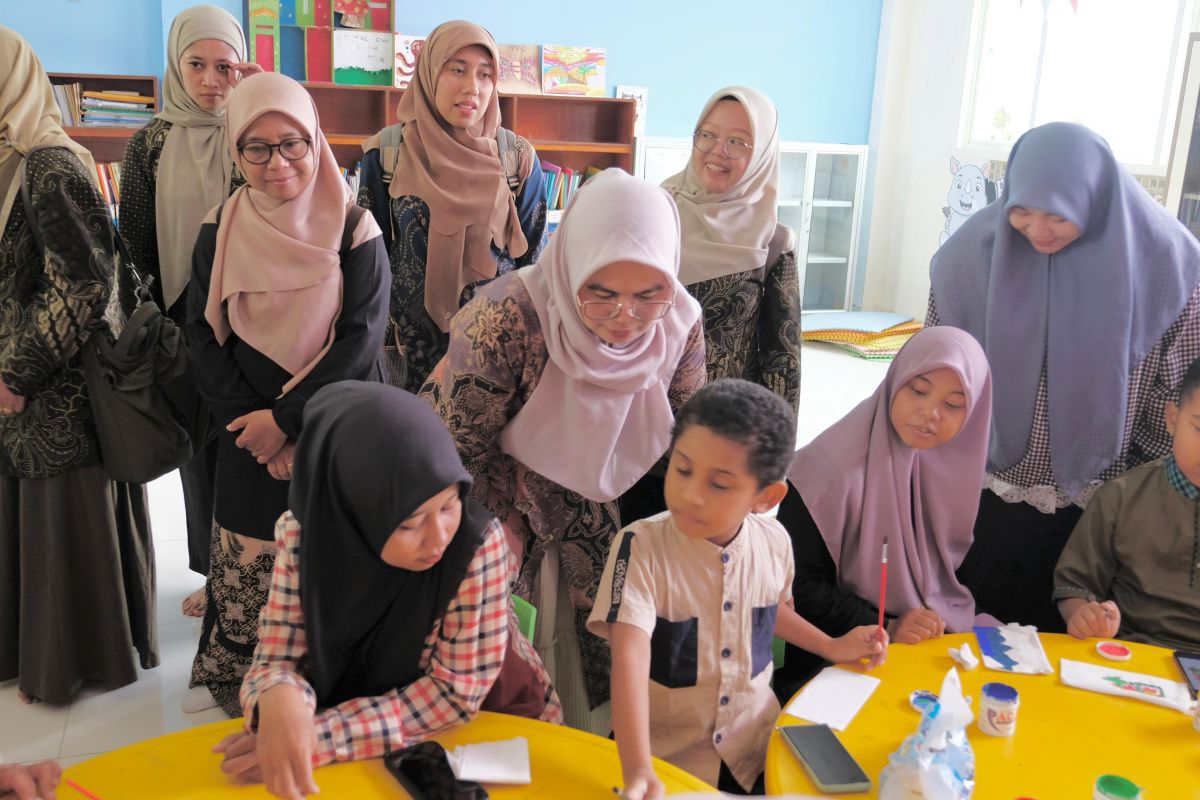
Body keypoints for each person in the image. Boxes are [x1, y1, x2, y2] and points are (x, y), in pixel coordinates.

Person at [421, 168, 707, 731]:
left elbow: (690, 437)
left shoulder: (679, 321)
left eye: (647, 295)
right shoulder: (507, 315)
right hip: (497, 502)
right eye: (602, 293)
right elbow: (454, 452)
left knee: (594, 673)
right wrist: (477, 541)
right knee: (502, 664)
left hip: (604, 512)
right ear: (573, 263)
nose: (625, 318)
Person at [214, 382, 561, 800]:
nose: (439, 536)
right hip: (374, 726)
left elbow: (452, 694)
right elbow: (278, 655)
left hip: (486, 728)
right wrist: (277, 694)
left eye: (449, 505)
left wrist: (318, 736)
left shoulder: (475, 547)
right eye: (410, 523)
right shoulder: (307, 536)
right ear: (351, 514)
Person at [928, 122, 1200, 631]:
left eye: (1057, 214)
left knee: (1074, 636)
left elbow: (1179, 391)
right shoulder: (970, 257)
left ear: (1095, 198)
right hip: (981, 492)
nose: (1038, 230)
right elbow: (935, 367)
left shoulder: (1167, 264)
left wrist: (1134, 484)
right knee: (977, 632)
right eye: (1023, 210)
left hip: (1103, 507)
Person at [184, 72, 390, 716]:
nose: (278, 163)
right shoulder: (220, 227)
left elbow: (362, 339)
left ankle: (332, 686)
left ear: (315, 139)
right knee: (250, 545)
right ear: (235, 151)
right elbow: (201, 333)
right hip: (246, 425)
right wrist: (257, 424)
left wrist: (290, 421)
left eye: (293, 143)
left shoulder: (355, 227)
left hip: (338, 424)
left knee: (335, 550)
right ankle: (240, 680)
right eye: (257, 147)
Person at [588, 379, 884, 798]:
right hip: (664, 760)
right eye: (683, 469)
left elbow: (766, 611)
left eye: (719, 484)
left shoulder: (775, 542)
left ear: (766, 497)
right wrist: (637, 767)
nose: (691, 495)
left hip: (753, 751)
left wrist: (831, 646)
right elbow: (629, 658)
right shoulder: (640, 546)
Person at [0, 25, 157, 705]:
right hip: (20, 391)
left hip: (57, 394)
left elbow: (86, 285)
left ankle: (67, 663)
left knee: (58, 521)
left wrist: (16, 373)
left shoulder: (49, 165)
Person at [119, 3, 261, 618]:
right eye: (195, 65)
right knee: (200, 459)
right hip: (182, 326)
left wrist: (258, 102)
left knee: (253, 452)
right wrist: (152, 330)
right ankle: (213, 574)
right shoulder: (149, 143)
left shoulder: (255, 130)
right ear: (175, 67)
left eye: (225, 66)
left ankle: (259, 574)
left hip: (255, 321)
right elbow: (134, 247)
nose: (210, 80)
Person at [777, 327, 997, 693]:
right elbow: (799, 587)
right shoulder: (825, 471)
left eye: (954, 405)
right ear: (895, 380)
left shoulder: (956, 471)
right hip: (839, 656)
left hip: (928, 643)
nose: (930, 414)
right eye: (919, 390)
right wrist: (889, 625)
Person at [619, 87, 801, 525]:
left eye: (738, 141)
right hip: (637, 427)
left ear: (763, 152)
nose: (718, 151)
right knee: (635, 546)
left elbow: (782, 358)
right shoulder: (655, 213)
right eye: (708, 135)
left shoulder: (773, 241)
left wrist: (773, 459)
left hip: (721, 443)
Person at [358, 19, 547, 393]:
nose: (472, 87)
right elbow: (369, 265)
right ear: (429, 73)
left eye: (485, 74)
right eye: (457, 70)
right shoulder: (386, 154)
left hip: (495, 358)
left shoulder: (517, 158)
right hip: (406, 359)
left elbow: (536, 268)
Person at [1053, 356, 1200, 650]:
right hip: (1133, 653)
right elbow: (1074, 586)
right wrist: (1087, 617)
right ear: (1172, 419)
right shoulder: (1121, 496)